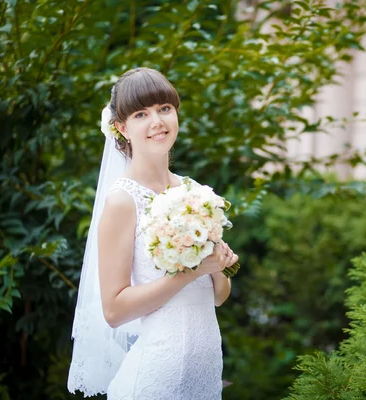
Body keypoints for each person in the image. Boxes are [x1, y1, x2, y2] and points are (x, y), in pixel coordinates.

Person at [67, 67, 238, 399]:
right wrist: (191, 272)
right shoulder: (122, 201)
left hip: (205, 373)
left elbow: (217, 296)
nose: (157, 121)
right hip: (156, 378)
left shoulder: (195, 194)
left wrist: (220, 267)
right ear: (122, 128)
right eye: (141, 114)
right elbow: (114, 311)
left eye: (164, 109)